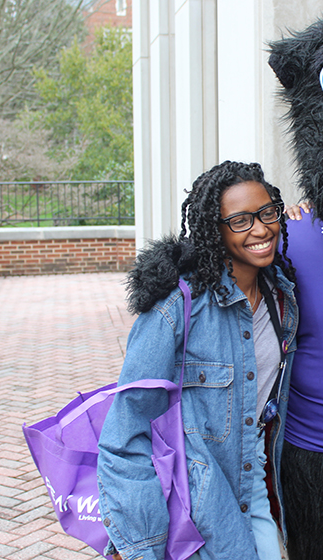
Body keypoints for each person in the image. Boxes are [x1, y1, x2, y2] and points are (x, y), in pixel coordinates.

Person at [97, 161, 298, 560]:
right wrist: (142, 545)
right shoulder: (177, 308)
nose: (260, 230)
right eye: (240, 220)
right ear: (215, 230)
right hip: (191, 500)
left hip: (252, 481)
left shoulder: (282, 298)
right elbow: (125, 433)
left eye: (267, 213)